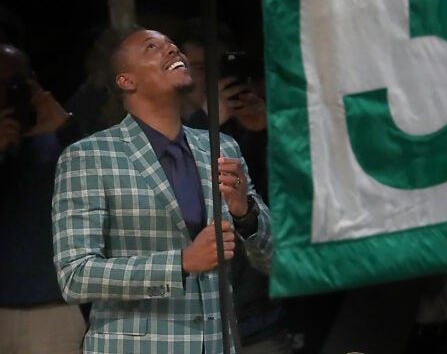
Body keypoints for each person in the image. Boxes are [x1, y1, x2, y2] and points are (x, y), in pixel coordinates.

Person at [51, 28, 272, 354]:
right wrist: (181, 262)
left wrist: (246, 213)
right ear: (126, 81)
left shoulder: (221, 147)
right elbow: (75, 275)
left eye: (173, 46)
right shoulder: (89, 156)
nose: (172, 50)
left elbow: (274, 257)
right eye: (152, 47)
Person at [176, 22, 292, 353]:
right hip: (194, 324)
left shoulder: (250, 131)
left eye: (220, 67)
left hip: (258, 314)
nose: (211, 78)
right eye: (199, 68)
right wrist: (205, 122)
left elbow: (283, 210)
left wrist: (265, 133)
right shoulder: (164, 132)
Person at [0, 43, 85, 353]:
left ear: (32, 82)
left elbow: (106, 188)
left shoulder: (62, 140)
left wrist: (66, 128)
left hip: (52, 314)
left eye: (14, 84)